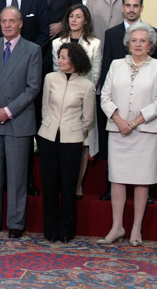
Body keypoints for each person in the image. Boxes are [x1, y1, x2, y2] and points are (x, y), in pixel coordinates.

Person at [98, 22, 157, 246]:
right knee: (117, 178)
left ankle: (136, 228)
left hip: (145, 132)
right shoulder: (116, 65)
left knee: (142, 180)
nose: (138, 44)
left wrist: (135, 122)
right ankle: (117, 227)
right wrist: (119, 120)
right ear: (127, 43)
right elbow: (105, 97)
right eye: (134, 40)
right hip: (118, 130)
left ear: (151, 45)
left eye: (143, 41)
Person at [0, 6, 42, 238]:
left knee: (17, 176)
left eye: (12, 21)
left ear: (20, 23)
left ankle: (15, 223)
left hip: (18, 120)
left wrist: (8, 111)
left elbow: (33, 87)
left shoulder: (32, 50)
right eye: (3, 21)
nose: (7, 25)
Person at [97, 0, 157, 201]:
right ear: (122, 7)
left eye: (136, 6)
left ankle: (144, 200)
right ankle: (111, 192)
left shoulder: (155, 35)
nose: (132, 9)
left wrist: (134, 121)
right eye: (128, 5)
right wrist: (116, 116)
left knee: (144, 174)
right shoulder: (112, 34)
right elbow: (106, 70)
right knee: (116, 174)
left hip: (144, 123)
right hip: (118, 118)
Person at [39, 42, 95, 243]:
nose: (59, 60)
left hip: (72, 141)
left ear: (74, 59)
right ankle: (50, 229)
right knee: (49, 185)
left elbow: (88, 118)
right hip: (48, 137)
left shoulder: (87, 86)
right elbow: (45, 108)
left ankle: (66, 230)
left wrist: (74, 130)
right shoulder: (50, 78)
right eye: (59, 56)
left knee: (69, 186)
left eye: (63, 57)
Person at [51, 4, 101, 199]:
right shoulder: (58, 42)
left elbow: (95, 74)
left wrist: (81, 92)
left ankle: (77, 185)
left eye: (78, 16)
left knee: (83, 142)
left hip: (83, 98)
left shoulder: (94, 43)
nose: (74, 20)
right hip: (61, 100)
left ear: (85, 20)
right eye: (71, 16)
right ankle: (62, 184)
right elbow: (56, 71)